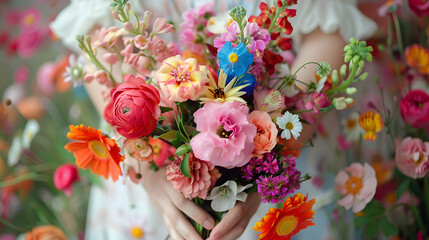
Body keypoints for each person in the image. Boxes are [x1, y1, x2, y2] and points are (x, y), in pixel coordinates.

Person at [50, 0, 376, 239]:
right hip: (151, 175)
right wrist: (146, 170)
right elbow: (97, 44)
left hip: (284, 152)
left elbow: (328, 32)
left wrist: (268, 168)